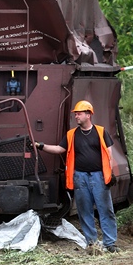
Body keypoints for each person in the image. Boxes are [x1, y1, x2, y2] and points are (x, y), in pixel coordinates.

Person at [35, 100, 120, 253]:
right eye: (75, 114)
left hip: (99, 177)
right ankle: (92, 244)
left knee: (105, 209)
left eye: (79, 113)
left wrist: (111, 174)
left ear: (88, 114)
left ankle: (110, 243)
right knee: (84, 210)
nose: (76, 116)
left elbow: (110, 154)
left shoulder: (100, 132)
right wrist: (41, 146)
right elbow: (59, 149)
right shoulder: (71, 134)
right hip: (80, 177)